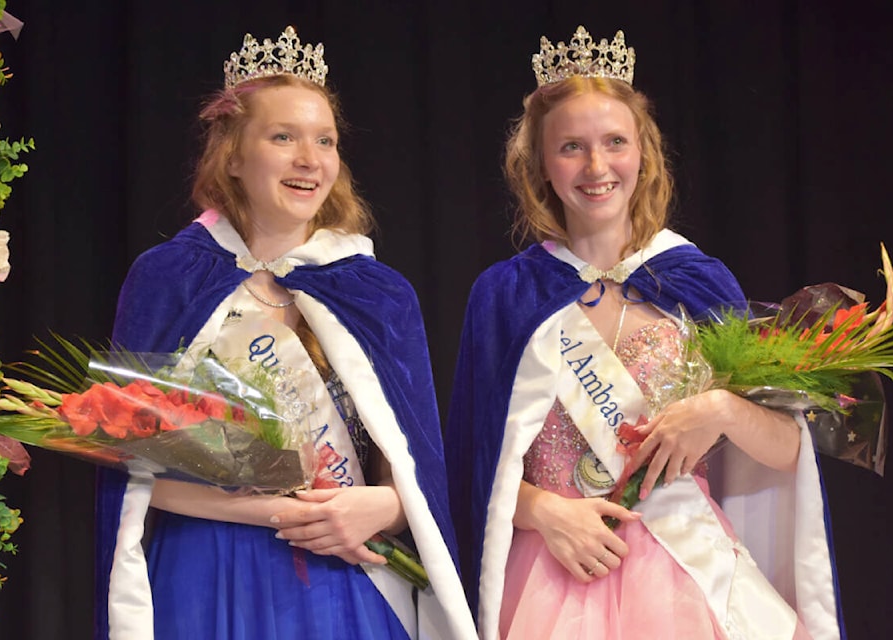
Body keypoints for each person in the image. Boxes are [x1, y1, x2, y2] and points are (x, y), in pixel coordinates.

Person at [445, 27, 843, 640]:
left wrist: (719, 410)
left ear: (644, 155)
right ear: (541, 166)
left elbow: (789, 452)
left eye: (614, 143)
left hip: (687, 572)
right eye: (571, 146)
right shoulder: (506, 295)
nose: (596, 166)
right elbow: (471, 463)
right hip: (554, 571)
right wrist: (542, 510)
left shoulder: (696, 281)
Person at [95, 27, 477, 640]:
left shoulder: (377, 294)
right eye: (284, 137)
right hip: (206, 571)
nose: (310, 159)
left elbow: (415, 470)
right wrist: (277, 511)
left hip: (345, 578)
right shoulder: (169, 279)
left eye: (324, 140)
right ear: (234, 157)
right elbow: (132, 469)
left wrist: (385, 506)